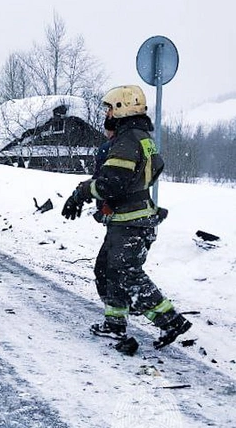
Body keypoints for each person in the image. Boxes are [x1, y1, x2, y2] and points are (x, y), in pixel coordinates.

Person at [61, 85, 191, 349]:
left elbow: (111, 183)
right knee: (107, 270)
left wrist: (82, 191)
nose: (106, 113)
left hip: (132, 221)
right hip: (128, 219)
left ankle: (170, 320)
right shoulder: (139, 137)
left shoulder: (127, 140)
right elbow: (151, 170)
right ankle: (115, 324)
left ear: (121, 108)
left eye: (109, 108)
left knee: (125, 273)